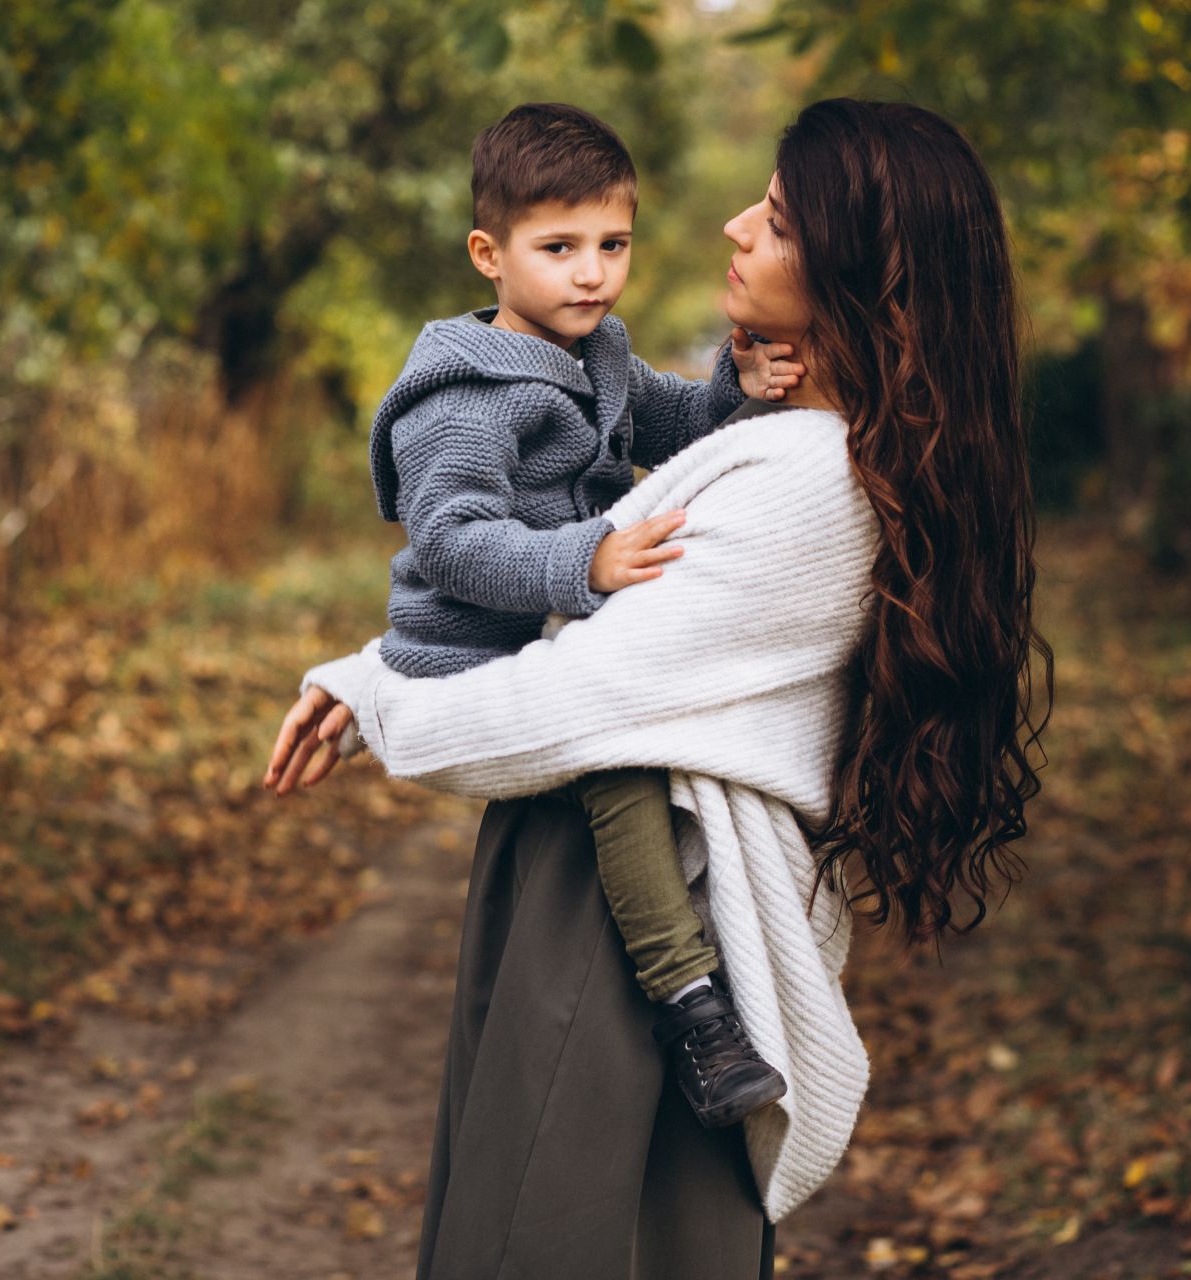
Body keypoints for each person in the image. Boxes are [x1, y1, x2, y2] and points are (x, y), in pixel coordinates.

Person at [267, 99, 1052, 1279]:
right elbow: (483, 555)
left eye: (777, 219)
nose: (736, 226)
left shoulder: (801, 484)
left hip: (618, 909)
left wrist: (383, 703)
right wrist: (372, 666)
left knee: (557, 1235)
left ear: (856, 270)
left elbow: (561, 703)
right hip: (604, 874)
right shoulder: (790, 443)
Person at [363, 101, 803, 1128]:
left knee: (643, 735)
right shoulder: (465, 398)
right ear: (489, 253)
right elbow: (453, 541)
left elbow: (675, 423)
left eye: (613, 244)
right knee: (620, 763)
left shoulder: (598, 352)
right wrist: (586, 559)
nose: (592, 273)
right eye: (558, 248)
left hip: (553, 622)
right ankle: (691, 1004)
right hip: (467, 647)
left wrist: (738, 386)